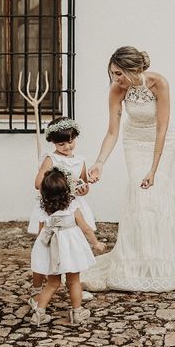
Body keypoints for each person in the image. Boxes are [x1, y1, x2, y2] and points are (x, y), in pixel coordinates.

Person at [80, 46, 175, 292]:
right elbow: (112, 131)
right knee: (139, 197)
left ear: (134, 69)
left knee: (157, 196)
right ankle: (135, 266)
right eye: (113, 74)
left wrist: (154, 169)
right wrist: (99, 162)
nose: (116, 79)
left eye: (119, 74)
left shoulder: (159, 83)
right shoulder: (117, 90)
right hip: (133, 143)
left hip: (161, 144)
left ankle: (157, 267)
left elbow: (162, 129)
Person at [27, 117, 106, 307]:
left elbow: (84, 183)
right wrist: (61, 182)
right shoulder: (51, 158)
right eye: (61, 143)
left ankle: (73, 283)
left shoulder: (80, 160)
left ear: (75, 137)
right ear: (53, 142)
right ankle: (37, 288)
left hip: (72, 207)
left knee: (73, 245)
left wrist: (83, 188)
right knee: (44, 247)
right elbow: (38, 183)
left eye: (70, 141)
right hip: (52, 205)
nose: (67, 147)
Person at [29, 167, 97, 325]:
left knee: (52, 283)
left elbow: (41, 233)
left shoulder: (42, 209)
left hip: (53, 251)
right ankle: (77, 312)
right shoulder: (72, 208)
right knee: (74, 281)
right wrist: (96, 243)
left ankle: (39, 313)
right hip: (70, 250)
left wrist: (40, 251)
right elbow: (86, 228)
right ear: (67, 191)